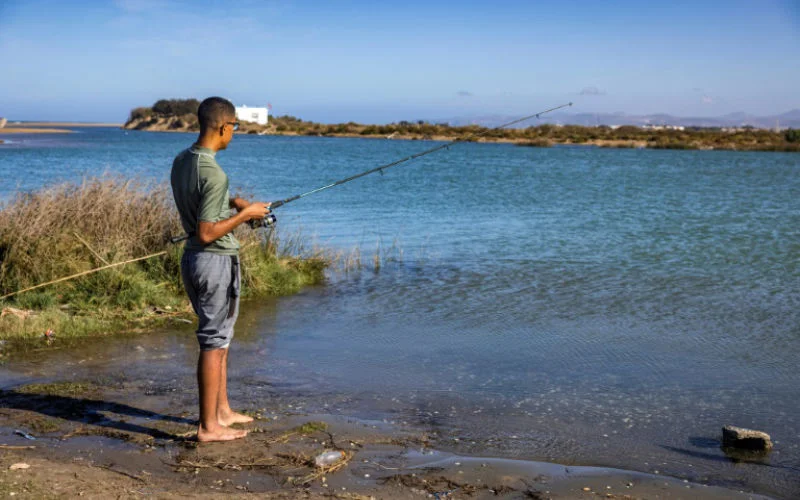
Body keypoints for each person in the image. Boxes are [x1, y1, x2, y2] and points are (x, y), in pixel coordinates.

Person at [170, 96, 271, 442]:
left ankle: (222, 412)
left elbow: (201, 199)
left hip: (193, 261)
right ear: (224, 127)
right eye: (235, 128)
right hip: (214, 263)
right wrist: (246, 215)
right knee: (213, 342)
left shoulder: (183, 160)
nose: (234, 134)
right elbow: (207, 231)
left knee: (220, 339)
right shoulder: (214, 173)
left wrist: (233, 201)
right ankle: (207, 427)